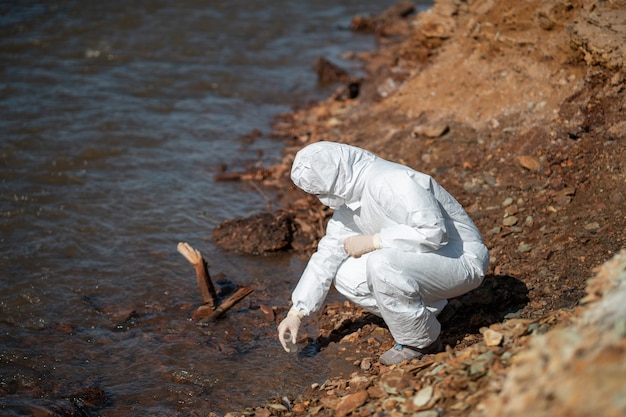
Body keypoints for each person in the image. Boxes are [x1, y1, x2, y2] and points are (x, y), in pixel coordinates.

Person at [277, 141, 489, 365]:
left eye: (319, 191)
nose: (320, 198)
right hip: (431, 262)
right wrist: (296, 313)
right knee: (344, 274)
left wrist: (375, 241)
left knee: (382, 262)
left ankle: (420, 341)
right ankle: (427, 314)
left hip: (462, 259)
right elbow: (327, 255)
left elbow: (433, 232)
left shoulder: (389, 180)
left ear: (333, 179)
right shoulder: (352, 200)